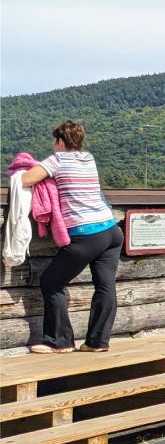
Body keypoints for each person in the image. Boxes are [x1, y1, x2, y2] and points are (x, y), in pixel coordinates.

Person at [19, 120, 122, 354]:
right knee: (105, 286)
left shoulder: (57, 159)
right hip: (111, 231)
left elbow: (25, 179)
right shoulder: (89, 158)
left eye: (55, 141)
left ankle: (59, 341)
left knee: (51, 283)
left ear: (60, 141)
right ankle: (97, 342)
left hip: (87, 234)